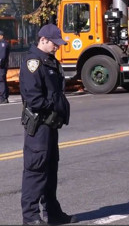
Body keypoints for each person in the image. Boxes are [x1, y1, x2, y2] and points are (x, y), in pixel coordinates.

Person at [19, 24, 78, 225]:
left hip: (51, 123)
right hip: (40, 124)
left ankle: (52, 212)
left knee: (51, 170)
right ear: (43, 40)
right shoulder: (33, 62)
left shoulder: (50, 61)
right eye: (55, 44)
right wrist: (54, 107)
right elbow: (34, 98)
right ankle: (31, 216)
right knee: (35, 170)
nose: (57, 47)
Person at [0, 30, 10, 104]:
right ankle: (5, 96)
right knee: (2, 81)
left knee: (1, 81)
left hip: (2, 66)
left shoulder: (3, 44)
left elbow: (2, 56)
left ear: (1, 36)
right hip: (2, 65)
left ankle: (3, 97)